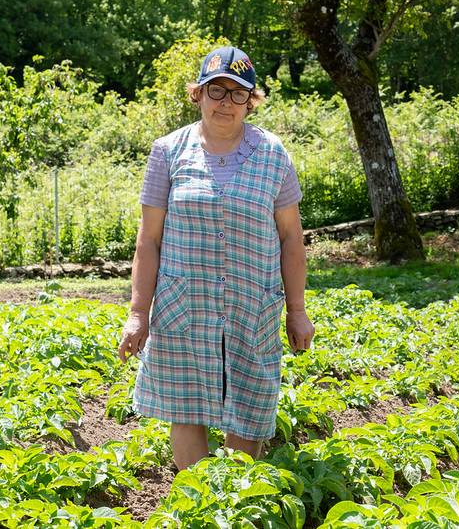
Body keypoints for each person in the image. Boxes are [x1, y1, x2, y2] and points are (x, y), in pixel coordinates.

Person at [118, 46, 315, 471]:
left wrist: (296, 310)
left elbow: (291, 238)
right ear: (198, 94)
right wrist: (138, 313)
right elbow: (148, 240)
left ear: (252, 101)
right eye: (216, 90)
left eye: (238, 93)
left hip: (251, 305)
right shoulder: (168, 152)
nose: (226, 102)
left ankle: (235, 501)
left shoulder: (273, 153)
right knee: (185, 406)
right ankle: (201, 503)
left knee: (249, 402)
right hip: (184, 305)